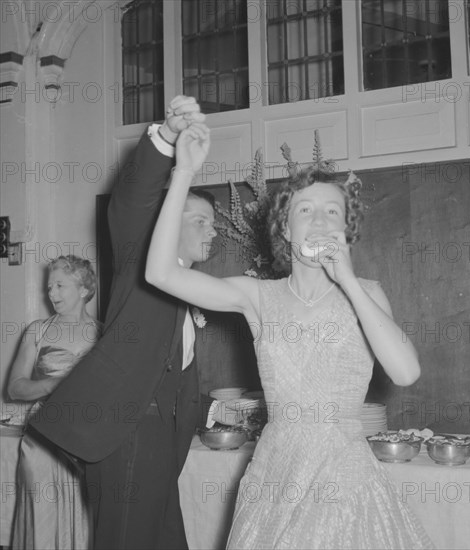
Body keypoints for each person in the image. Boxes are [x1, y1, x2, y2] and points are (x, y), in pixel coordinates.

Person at [145, 123, 434, 549]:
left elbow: (406, 372)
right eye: (305, 210)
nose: (319, 219)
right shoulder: (258, 296)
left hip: (345, 476)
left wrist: (349, 282)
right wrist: (183, 173)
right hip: (276, 475)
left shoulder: (367, 293)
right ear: (284, 229)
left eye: (331, 211)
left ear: (346, 229)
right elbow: (160, 273)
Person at [28, 96, 218, 550]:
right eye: (201, 221)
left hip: (161, 442)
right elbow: (132, 200)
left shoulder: (190, 289)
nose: (211, 231)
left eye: (213, 223)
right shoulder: (140, 261)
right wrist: (168, 138)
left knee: (166, 540)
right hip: (128, 431)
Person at [8, 255, 100, 550]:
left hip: (88, 439)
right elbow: (15, 388)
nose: (52, 293)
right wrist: (53, 384)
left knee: (86, 516)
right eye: (49, 287)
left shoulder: (105, 333)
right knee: (42, 515)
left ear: (84, 289)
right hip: (42, 439)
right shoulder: (38, 331)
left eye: (60, 286)